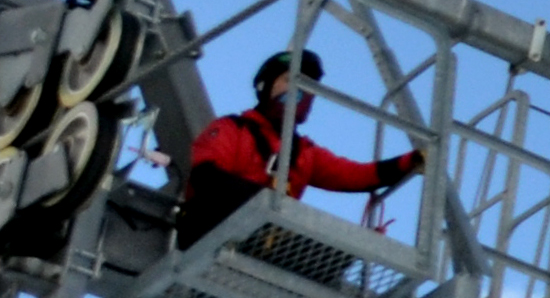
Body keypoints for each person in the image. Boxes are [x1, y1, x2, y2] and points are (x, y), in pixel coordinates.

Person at [173, 50, 422, 249]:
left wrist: (411, 161)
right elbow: (205, 176)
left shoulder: (304, 152)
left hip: (264, 243)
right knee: (278, 218)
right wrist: (262, 203)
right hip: (210, 232)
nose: (301, 90)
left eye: (308, 85)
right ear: (266, 86)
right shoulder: (232, 129)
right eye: (291, 80)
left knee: (330, 252)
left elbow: (356, 175)